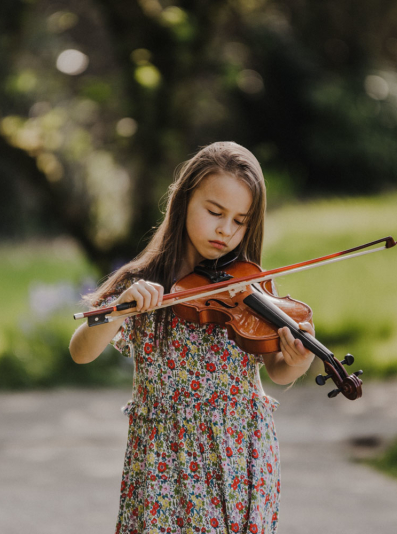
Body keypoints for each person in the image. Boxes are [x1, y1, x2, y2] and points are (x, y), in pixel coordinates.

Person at [69, 141, 315, 534]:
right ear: (184, 201)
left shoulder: (248, 285)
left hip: (241, 453)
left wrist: (298, 362)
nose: (225, 230)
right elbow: (81, 352)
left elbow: (279, 372)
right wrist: (120, 308)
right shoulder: (143, 285)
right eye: (215, 212)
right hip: (165, 460)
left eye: (240, 220)